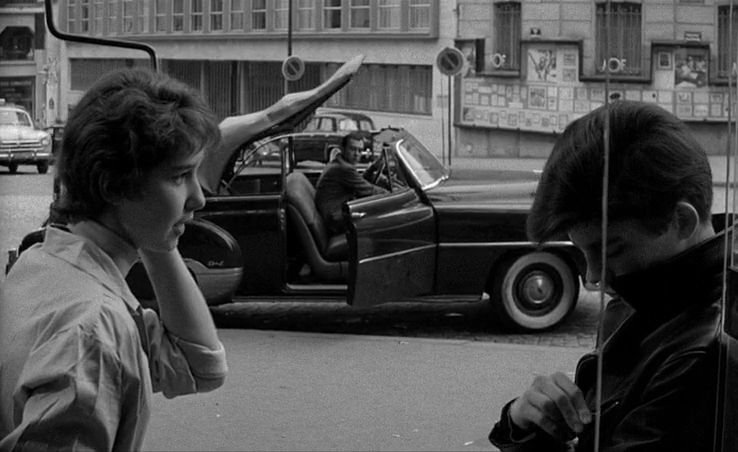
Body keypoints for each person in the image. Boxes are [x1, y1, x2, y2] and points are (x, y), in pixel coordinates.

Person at [0, 68, 228, 450]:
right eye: (180, 176)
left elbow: (199, 365)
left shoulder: (41, 262)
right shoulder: (94, 332)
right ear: (114, 184)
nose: (199, 198)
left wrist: (159, 234)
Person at [488, 100, 722, 451]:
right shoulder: (651, 300)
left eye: (611, 250)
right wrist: (525, 422)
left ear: (682, 221)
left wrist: (525, 435)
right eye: (583, 251)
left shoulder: (700, 358)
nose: (593, 276)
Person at [315, 131, 387, 234]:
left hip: (335, 213)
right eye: (353, 149)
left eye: (360, 150)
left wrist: (373, 167)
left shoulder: (340, 163)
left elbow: (358, 181)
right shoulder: (343, 168)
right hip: (335, 220)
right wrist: (391, 194)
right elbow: (368, 190)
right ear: (343, 149)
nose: (356, 154)